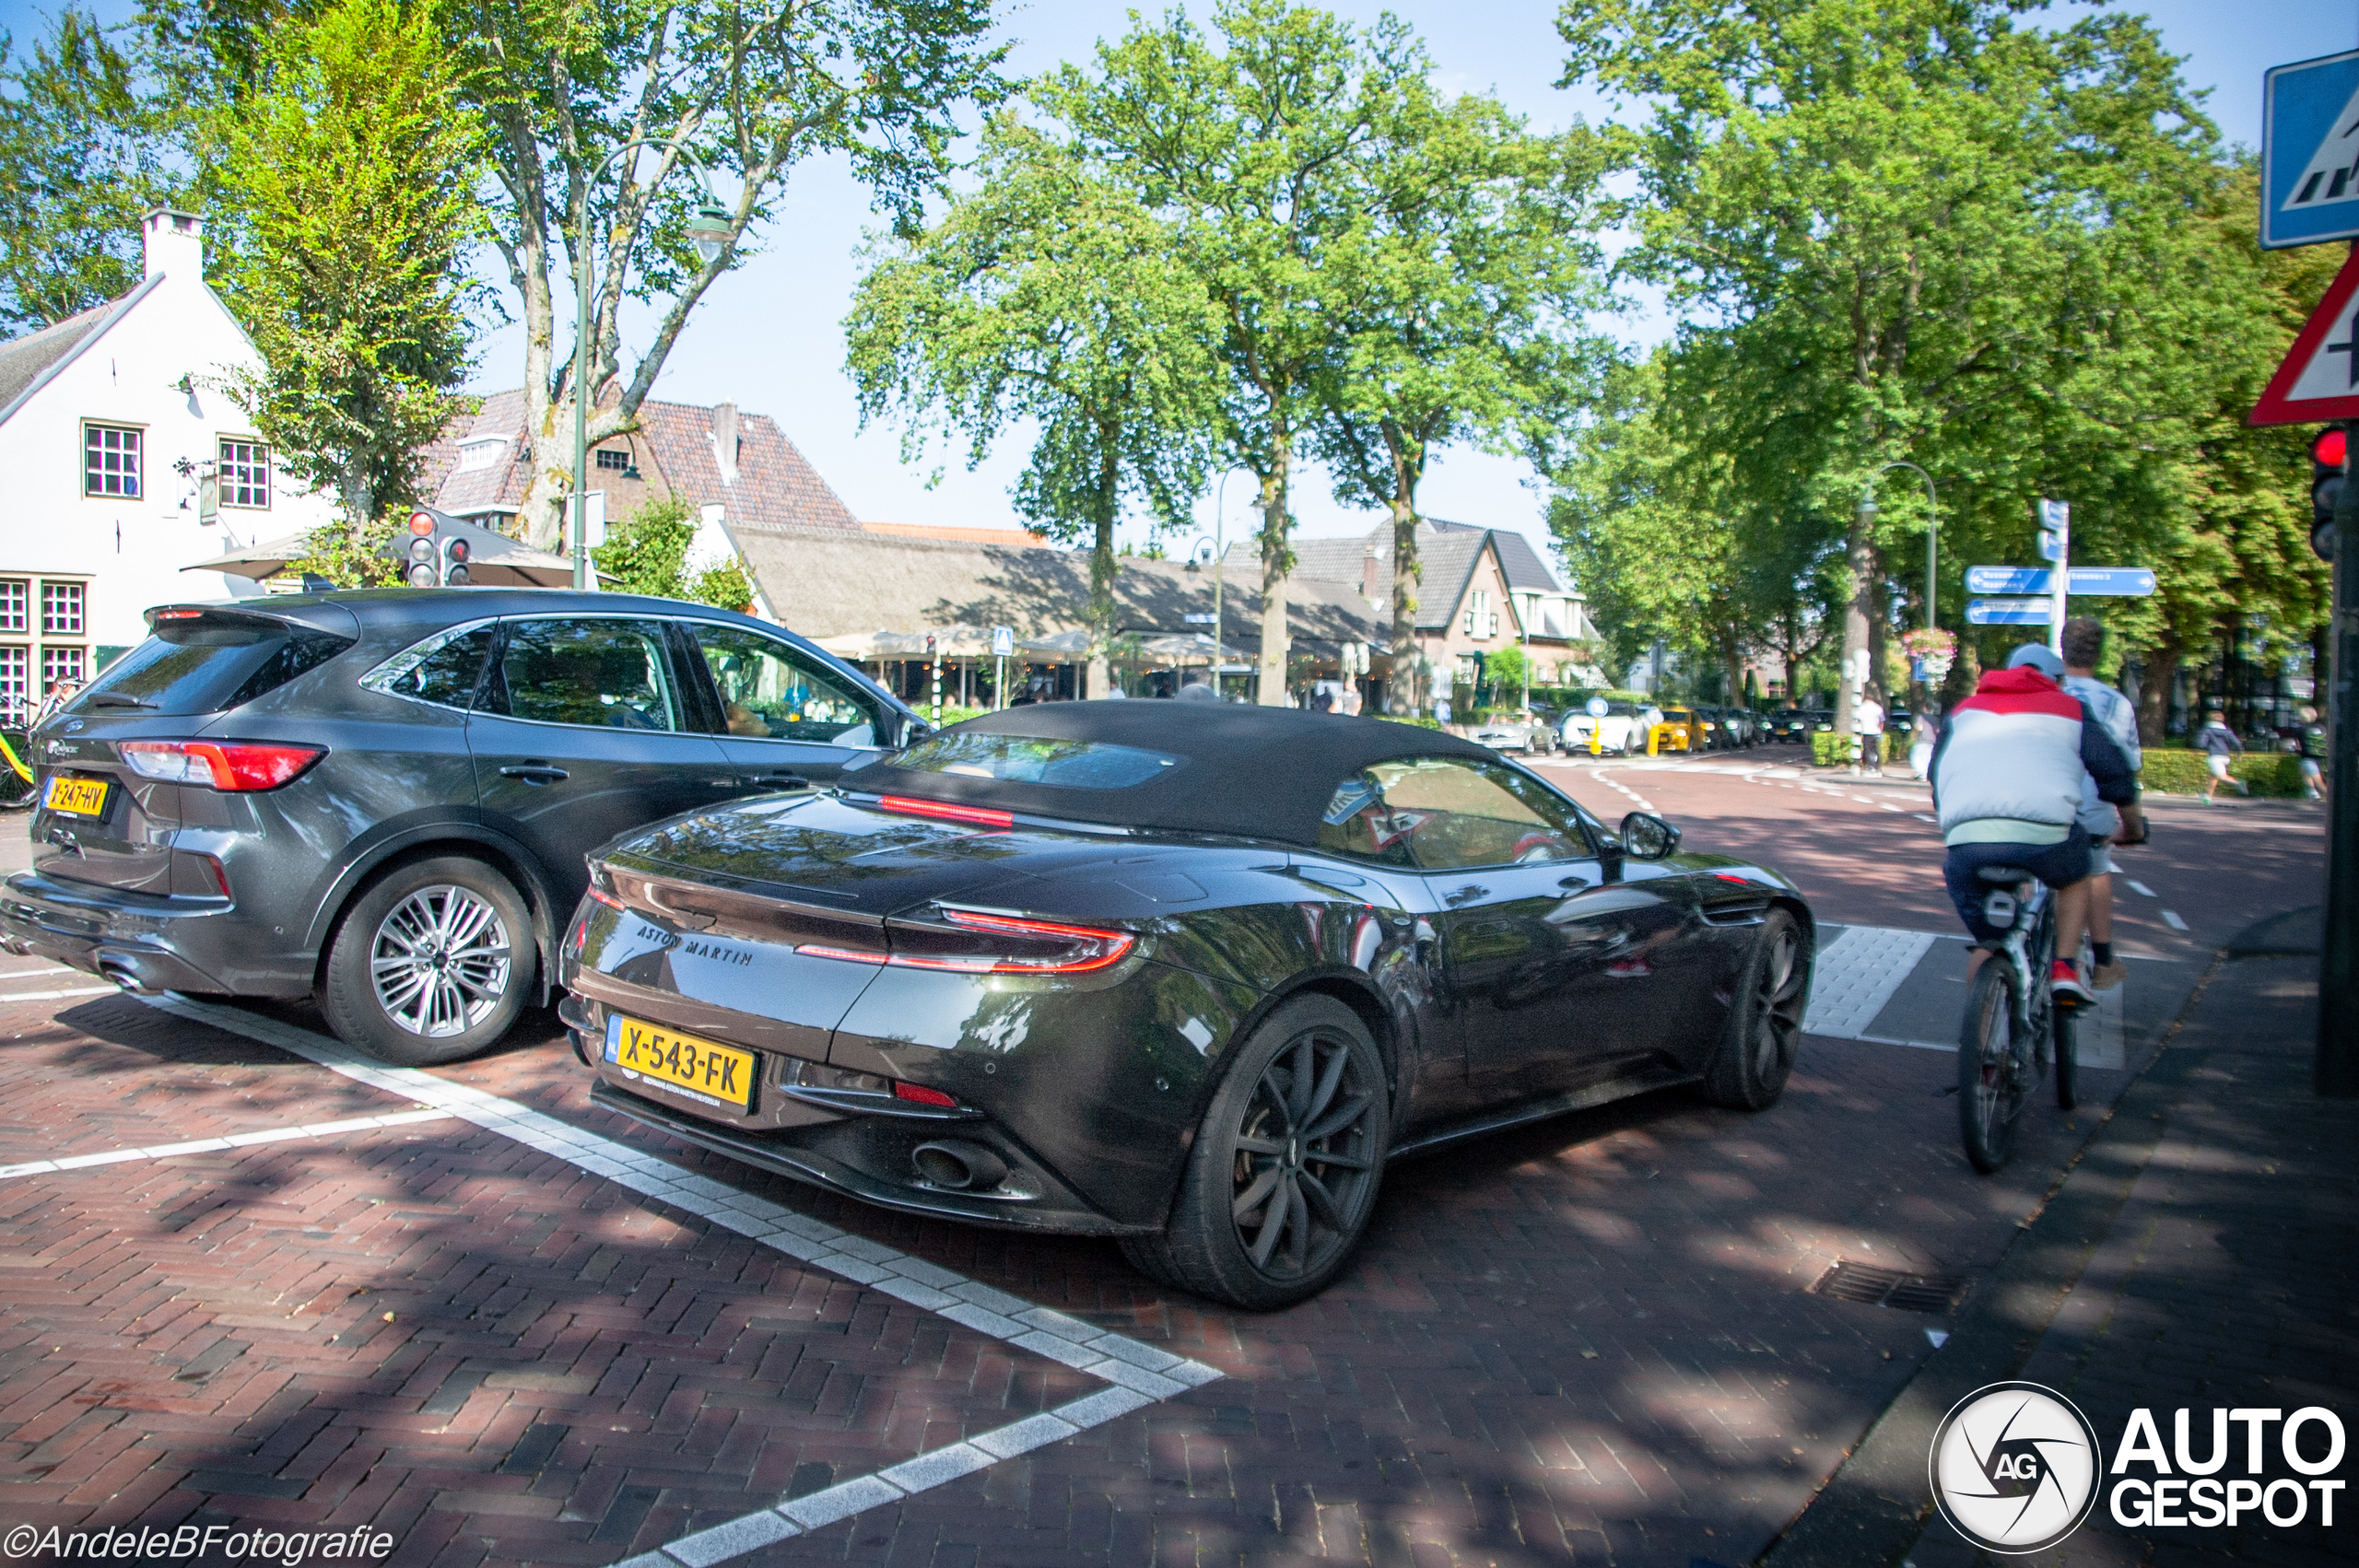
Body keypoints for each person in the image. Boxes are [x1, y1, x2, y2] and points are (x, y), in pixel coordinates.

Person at [1929, 643, 2143, 1002]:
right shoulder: (2071, 708)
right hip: (2047, 839)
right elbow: (2114, 772)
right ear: (2058, 681)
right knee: (2077, 875)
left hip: (1967, 844)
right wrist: (2132, 828)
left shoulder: (1963, 710)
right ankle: (2064, 968)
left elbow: (1937, 776)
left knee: (1989, 942)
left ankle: (1982, 1038)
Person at [2059, 617, 2140, 990]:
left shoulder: (2048, 695)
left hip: (2046, 807)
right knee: (2096, 868)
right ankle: (2104, 960)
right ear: (2100, 654)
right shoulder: (2116, 703)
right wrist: (2130, 826)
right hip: (2092, 813)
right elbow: (2126, 768)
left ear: (2062, 650)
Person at [2195, 708, 2245, 803]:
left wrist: (2200, 748)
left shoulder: (2207, 730)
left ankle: (2239, 783)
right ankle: (2207, 797)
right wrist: (2239, 752)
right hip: (2225, 756)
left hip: (2215, 756)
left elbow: (2201, 743)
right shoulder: (2227, 731)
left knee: (2222, 776)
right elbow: (2237, 743)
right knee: (2213, 776)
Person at [1852, 685, 1886, 776]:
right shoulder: (1878, 708)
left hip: (1866, 730)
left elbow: (1857, 719)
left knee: (1868, 749)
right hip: (1876, 731)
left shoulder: (1861, 708)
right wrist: (1880, 730)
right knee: (1876, 749)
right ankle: (1877, 766)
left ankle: (1871, 766)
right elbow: (1882, 720)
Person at [2297, 704, 2328, 802]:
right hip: (2320, 756)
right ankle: (2312, 793)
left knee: (2319, 782)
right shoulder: (2322, 727)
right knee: (2304, 769)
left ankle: (2334, 798)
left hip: (2308, 757)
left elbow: (2298, 744)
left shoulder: (2301, 729)